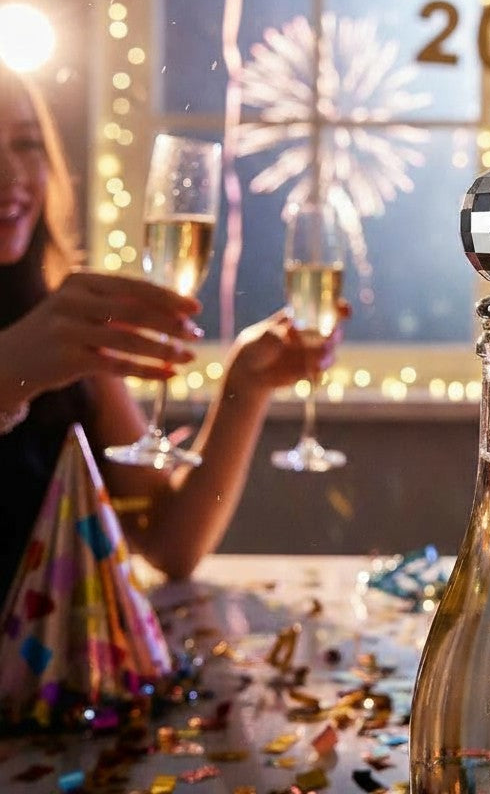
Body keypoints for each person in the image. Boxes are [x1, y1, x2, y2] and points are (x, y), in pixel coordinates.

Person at [0, 64, 345, 601]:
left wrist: (243, 388)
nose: (11, 174)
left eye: (27, 144)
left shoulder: (61, 328)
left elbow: (170, 543)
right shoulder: (46, 340)